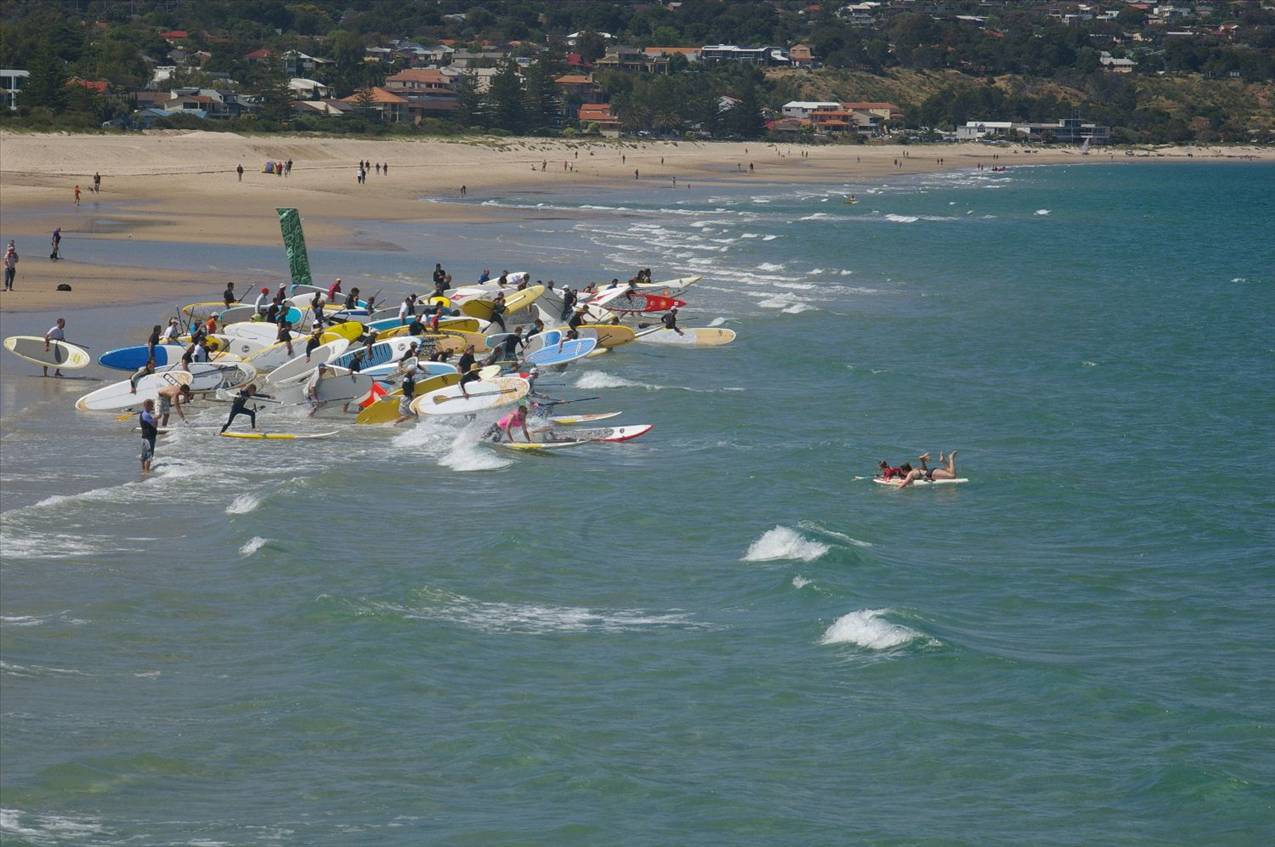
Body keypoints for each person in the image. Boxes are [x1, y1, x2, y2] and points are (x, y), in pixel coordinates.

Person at [893, 452, 960, 489]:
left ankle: (951, 458)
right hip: (932, 471)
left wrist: (895, 489)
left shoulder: (910, 474)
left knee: (953, 476)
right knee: (949, 472)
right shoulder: (915, 470)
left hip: (931, 474)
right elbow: (924, 469)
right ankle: (943, 461)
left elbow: (904, 484)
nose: (901, 473)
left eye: (901, 471)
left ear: (905, 470)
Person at [139, 399, 158, 473]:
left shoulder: (142, 414)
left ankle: (143, 470)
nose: (152, 407)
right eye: (151, 406)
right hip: (149, 438)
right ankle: (146, 473)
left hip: (144, 437)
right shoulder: (147, 415)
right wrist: (155, 419)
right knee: (149, 456)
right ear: (147, 406)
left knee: (143, 456)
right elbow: (154, 425)